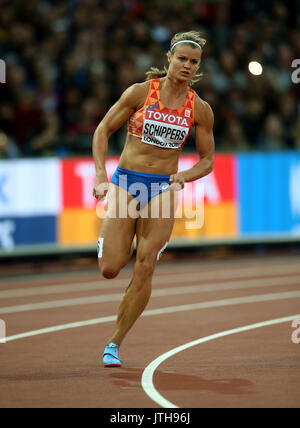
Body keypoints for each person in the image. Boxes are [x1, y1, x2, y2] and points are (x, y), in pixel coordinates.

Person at [92, 31, 215, 367]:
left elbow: (207, 160)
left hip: (162, 186)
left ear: (198, 67)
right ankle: (111, 244)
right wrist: (101, 176)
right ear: (169, 60)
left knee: (146, 264)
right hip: (127, 182)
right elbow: (103, 130)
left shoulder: (200, 109)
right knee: (110, 269)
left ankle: (114, 343)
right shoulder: (140, 92)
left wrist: (184, 176)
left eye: (194, 62)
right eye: (182, 59)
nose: (187, 66)